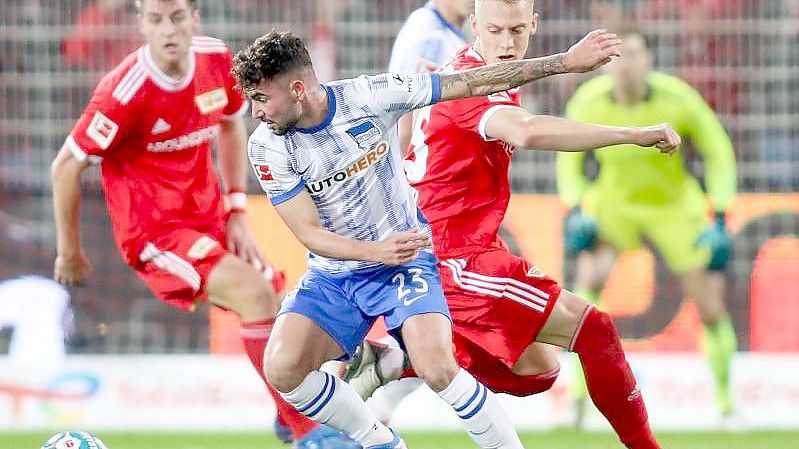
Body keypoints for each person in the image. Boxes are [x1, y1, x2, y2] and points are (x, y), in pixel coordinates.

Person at [234, 26, 624, 449]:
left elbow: (471, 82)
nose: (255, 112)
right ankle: (380, 440)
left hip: (404, 263)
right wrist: (373, 251)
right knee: (283, 369)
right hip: (338, 273)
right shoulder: (267, 147)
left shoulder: (370, 96)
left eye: (260, 99)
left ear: (296, 89)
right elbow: (307, 231)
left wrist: (563, 63)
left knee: (438, 366)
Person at [348, 1, 682, 448]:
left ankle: (397, 362)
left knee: (539, 370)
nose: (506, 44)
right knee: (594, 328)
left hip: (458, 243)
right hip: (451, 254)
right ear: (474, 25)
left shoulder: (464, 71)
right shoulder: (471, 88)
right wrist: (633, 135)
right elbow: (526, 132)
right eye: (495, 30)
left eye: (517, 31)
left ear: (534, 25)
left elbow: (411, 134)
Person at [50, 1, 358, 448]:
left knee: (280, 298)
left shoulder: (215, 60)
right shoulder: (123, 91)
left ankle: (287, 412)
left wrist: (236, 209)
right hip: (155, 235)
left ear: (194, 18)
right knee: (255, 296)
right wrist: (69, 252)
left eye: (177, 17)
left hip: (211, 219)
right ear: (141, 24)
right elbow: (65, 167)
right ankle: (308, 432)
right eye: (155, 20)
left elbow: (232, 125)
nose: (167, 30)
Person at [556, 24, 738, 424]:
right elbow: (568, 162)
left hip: (675, 208)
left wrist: (721, 212)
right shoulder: (588, 101)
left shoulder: (678, 99)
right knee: (585, 294)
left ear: (650, 60)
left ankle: (727, 407)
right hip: (614, 204)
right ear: (604, 65)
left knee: (709, 306)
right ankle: (576, 402)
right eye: (617, 58)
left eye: (634, 54)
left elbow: (718, 151)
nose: (625, 66)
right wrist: (575, 209)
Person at [346, 0, 476, 426]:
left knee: (454, 316)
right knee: (456, 313)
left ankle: (379, 383)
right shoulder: (428, 34)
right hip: (426, 196)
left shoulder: (448, 33)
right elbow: (399, 106)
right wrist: (403, 189)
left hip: (445, 193)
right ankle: (359, 391)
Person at [0, 275, 72, 373]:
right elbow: (68, 323)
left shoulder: (9, 290)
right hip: (53, 354)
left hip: (23, 356)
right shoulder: (56, 291)